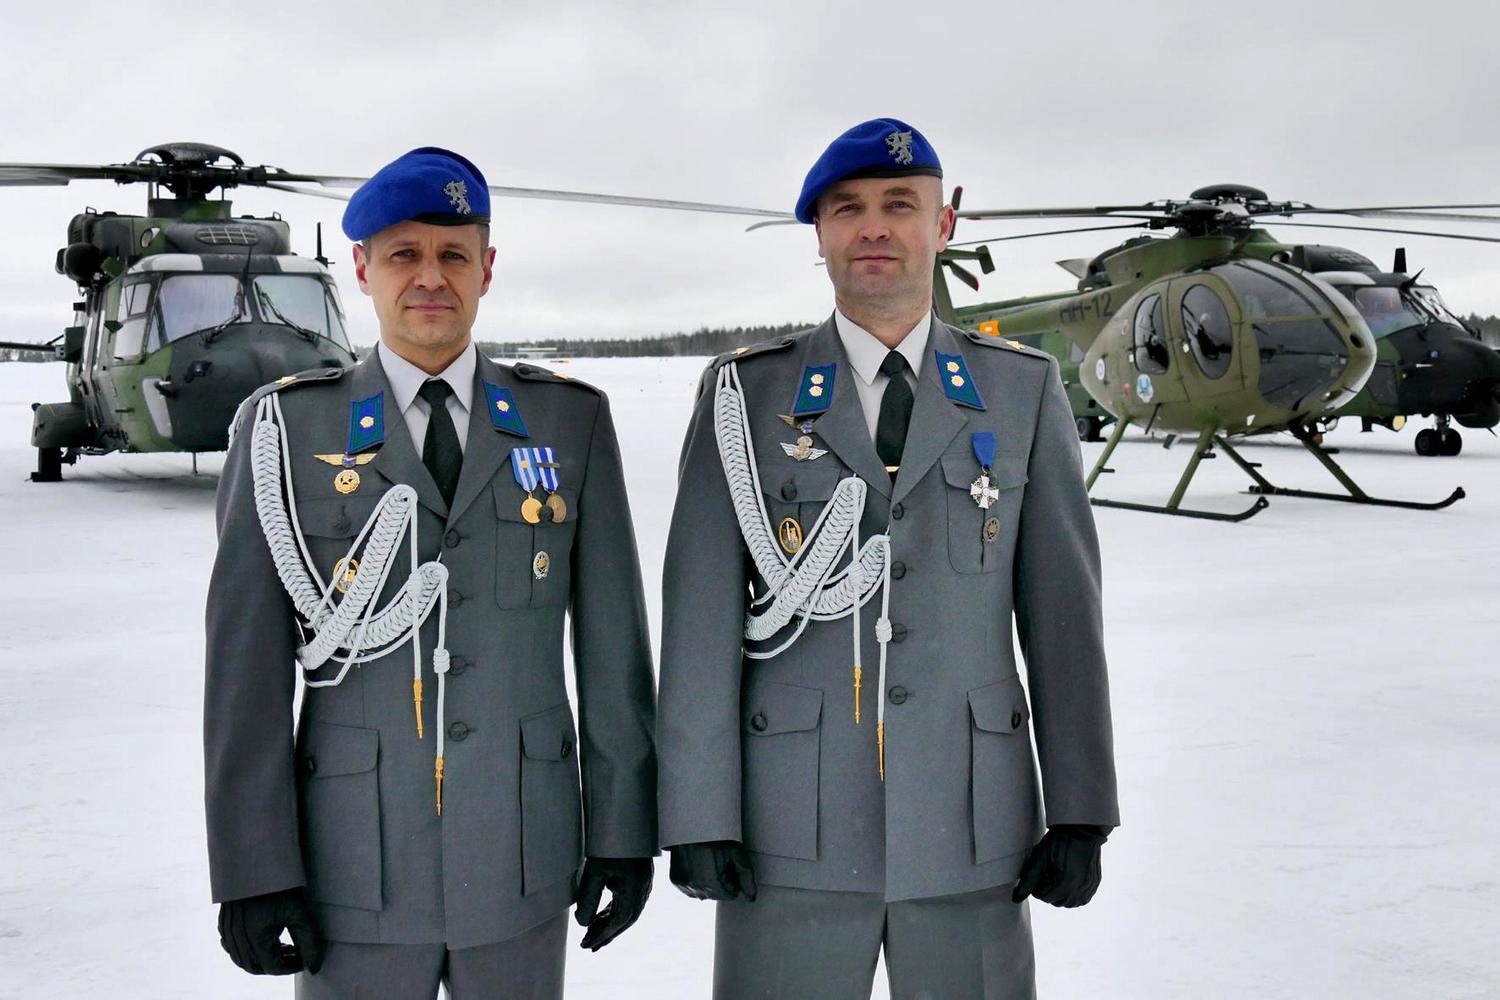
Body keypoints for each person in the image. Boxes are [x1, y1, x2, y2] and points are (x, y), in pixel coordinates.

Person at [656, 119, 1120, 999]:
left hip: (972, 823)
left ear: (943, 226)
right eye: (848, 209)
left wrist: (1082, 806)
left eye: (899, 206)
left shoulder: (1020, 389)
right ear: (819, 235)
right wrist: (698, 810)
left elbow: (1063, 615)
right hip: (787, 827)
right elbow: (698, 620)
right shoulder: (744, 393)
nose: (874, 228)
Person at [204, 147, 657, 999]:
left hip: (522, 850)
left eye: (454, 255)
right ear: (362, 270)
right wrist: (253, 865)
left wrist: (623, 830)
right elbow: (244, 670)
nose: (430, 278)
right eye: (404, 255)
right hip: (351, 860)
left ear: (487, 269)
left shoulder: (568, 422)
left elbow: (612, 651)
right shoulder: (284, 431)